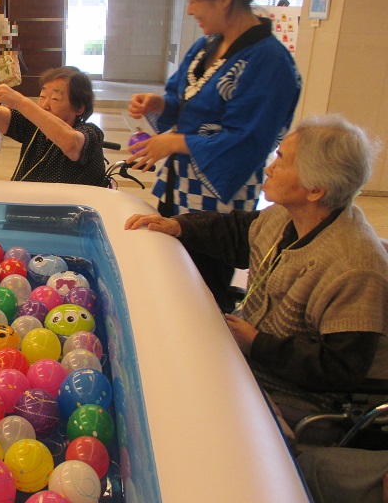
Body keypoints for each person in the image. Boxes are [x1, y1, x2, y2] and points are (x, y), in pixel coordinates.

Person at [125, 115, 388, 427]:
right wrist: (178, 225)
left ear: (316, 189)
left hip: (300, 394)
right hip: (254, 356)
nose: (269, 168)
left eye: (281, 160)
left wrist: (256, 343)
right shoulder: (287, 215)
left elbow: (339, 368)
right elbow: (239, 232)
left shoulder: (354, 269)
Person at [126, 0, 300, 215]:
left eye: (195, 0)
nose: (191, 10)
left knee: (203, 259)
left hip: (221, 194)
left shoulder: (270, 61)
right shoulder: (205, 46)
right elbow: (180, 100)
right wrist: (159, 104)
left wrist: (175, 141)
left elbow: (249, 140)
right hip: (179, 182)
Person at [0, 66, 106, 186]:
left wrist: (21, 102)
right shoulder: (34, 124)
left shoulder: (91, 132)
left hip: (64, 212)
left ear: (79, 108)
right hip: (24, 204)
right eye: (42, 96)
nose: (45, 105)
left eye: (55, 99)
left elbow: (72, 144)